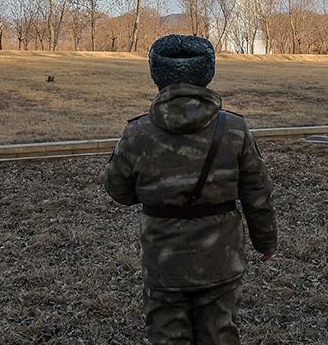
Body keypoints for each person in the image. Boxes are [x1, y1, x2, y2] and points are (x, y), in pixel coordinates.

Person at [104, 34, 277, 345]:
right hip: (221, 259)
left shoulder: (137, 133)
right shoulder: (234, 129)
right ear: (207, 72)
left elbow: (118, 190)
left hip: (163, 262)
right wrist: (265, 241)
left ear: (156, 74)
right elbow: (258, 195)